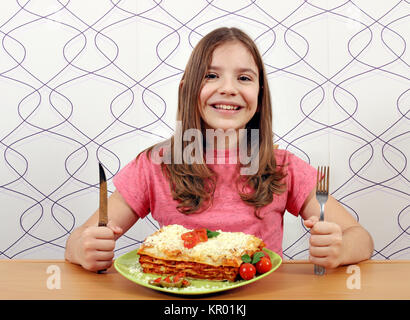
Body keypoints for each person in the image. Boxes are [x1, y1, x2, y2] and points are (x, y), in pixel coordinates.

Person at [64, 27, 374, 272]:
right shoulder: (155, 166)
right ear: (188, 89)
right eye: (211, 75)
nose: (228, 87)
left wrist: (339, 249)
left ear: (260, 94)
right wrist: (86, 249)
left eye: (244, 78)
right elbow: (76, 242)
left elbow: (360, 237)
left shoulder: (283, 167)